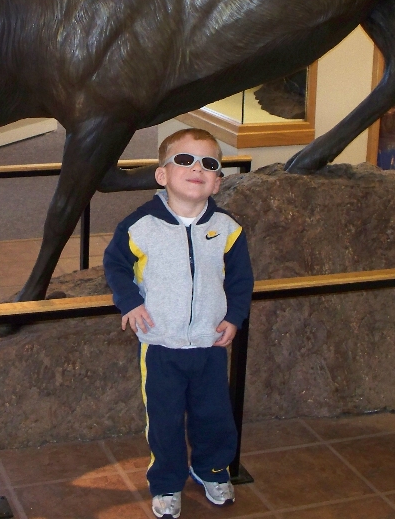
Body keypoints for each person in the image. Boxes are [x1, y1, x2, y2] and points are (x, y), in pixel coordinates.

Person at [104, 128, 253, 519]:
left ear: (217, 180)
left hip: (210, 343)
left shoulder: (228, 228)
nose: (197, 169)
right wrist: (130, 302)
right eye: (185, 160)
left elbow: (241, 280)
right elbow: (115, 265)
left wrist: (234, 317)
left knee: (214, 416)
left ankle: (212, 470)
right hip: (161, 344)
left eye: (208, 163)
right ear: (162, 174)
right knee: (165, 421)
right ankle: (167, 483)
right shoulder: (140, 225)